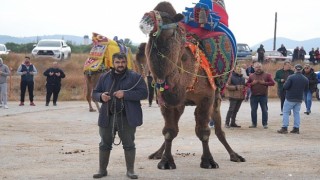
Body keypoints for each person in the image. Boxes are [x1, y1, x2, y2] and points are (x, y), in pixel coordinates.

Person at [92, 52, 148, 179]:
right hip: (108, 117)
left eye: (123, 62)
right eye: (117, 62)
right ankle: (102, 170)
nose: (120, 65)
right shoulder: (104, 77)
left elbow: (144, 93)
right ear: (113, 63)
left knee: (129, 145)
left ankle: (130, 171)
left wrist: (125, 94)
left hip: (127, 118)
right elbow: (94, 93)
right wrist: (100, 96)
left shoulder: (135, 77)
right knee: (104, 144)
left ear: (126, 62)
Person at [277, 64, 309, 134]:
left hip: (290, 98)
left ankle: (284, 128)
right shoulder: (305, 79)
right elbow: (306, 89)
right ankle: (296, 128)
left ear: (295, 69)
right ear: (301, 70)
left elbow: (285, 87)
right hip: (299, 98)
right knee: (296, 113)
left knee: (285, 112)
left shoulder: (291, 77)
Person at [246, 62, 275, 129]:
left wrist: (264, 83)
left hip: (263, 96)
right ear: (254, 68)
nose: (258, 68)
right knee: (253, 110)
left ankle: (265, 124)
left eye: (259, 67)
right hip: (253, 96)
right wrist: (252, 84)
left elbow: (273, 83)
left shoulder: (267, 75)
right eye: (256, 67)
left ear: (262, 67)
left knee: (264, 110)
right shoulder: (251, 75)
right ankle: (254, 124)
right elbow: (247, 84)